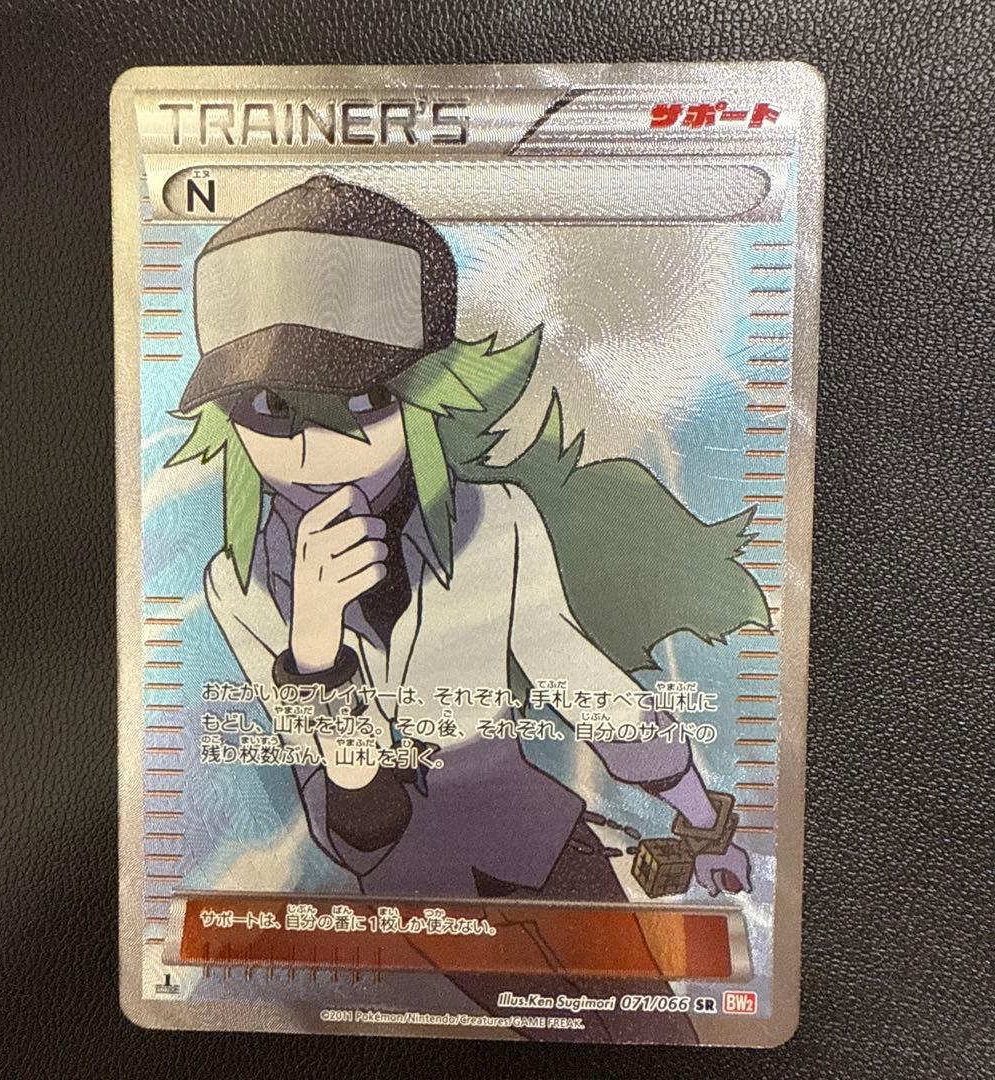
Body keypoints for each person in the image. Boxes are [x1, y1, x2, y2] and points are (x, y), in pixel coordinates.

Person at [168, 174, 769, 1042]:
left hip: (537, 829)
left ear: (423, 392)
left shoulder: (498, 520)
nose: (319, 445)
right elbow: (360, 820)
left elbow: (580, 677)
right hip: (409, 881)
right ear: (230, 418)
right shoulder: (240, 586)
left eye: (366, 398)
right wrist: (316, 652)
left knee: (654, 1033)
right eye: (273, 408)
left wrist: (699, 815)